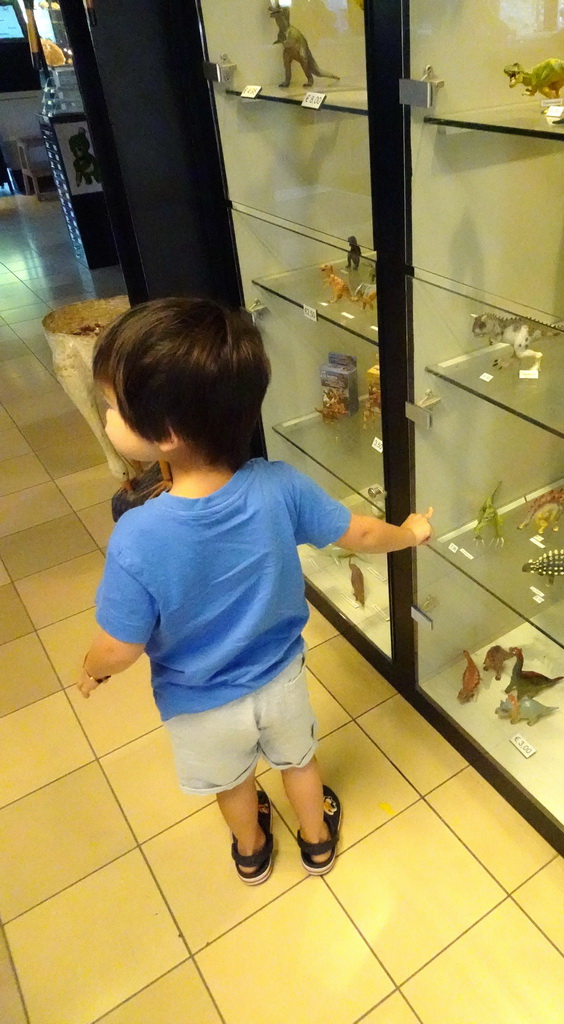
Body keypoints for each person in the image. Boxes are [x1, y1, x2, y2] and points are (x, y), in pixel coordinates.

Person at [76, 298, 433, 884]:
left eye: (112, 408)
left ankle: (251, 850)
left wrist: (94, 667)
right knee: (299, 762)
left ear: (164, 434)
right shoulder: (279, 487)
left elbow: (120, 646)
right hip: (280, 678)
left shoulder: (137, 535)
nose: (107, 418)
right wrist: (411, 532)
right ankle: (316, 841)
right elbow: (359, 532)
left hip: (200, 703)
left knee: (235, 784)